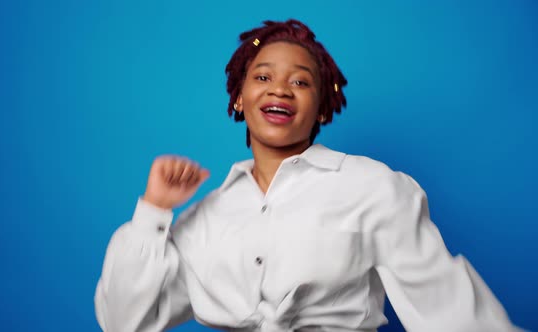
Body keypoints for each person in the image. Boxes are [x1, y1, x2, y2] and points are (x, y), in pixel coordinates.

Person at [94, 19, 522, 332]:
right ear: (240, 98)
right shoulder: (205, 217)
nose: (279, 88)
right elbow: (123, 322)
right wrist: (153, 210)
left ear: (321, 108)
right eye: (263, 77)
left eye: (300, 82)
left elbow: (448, 309)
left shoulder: (372, 187)